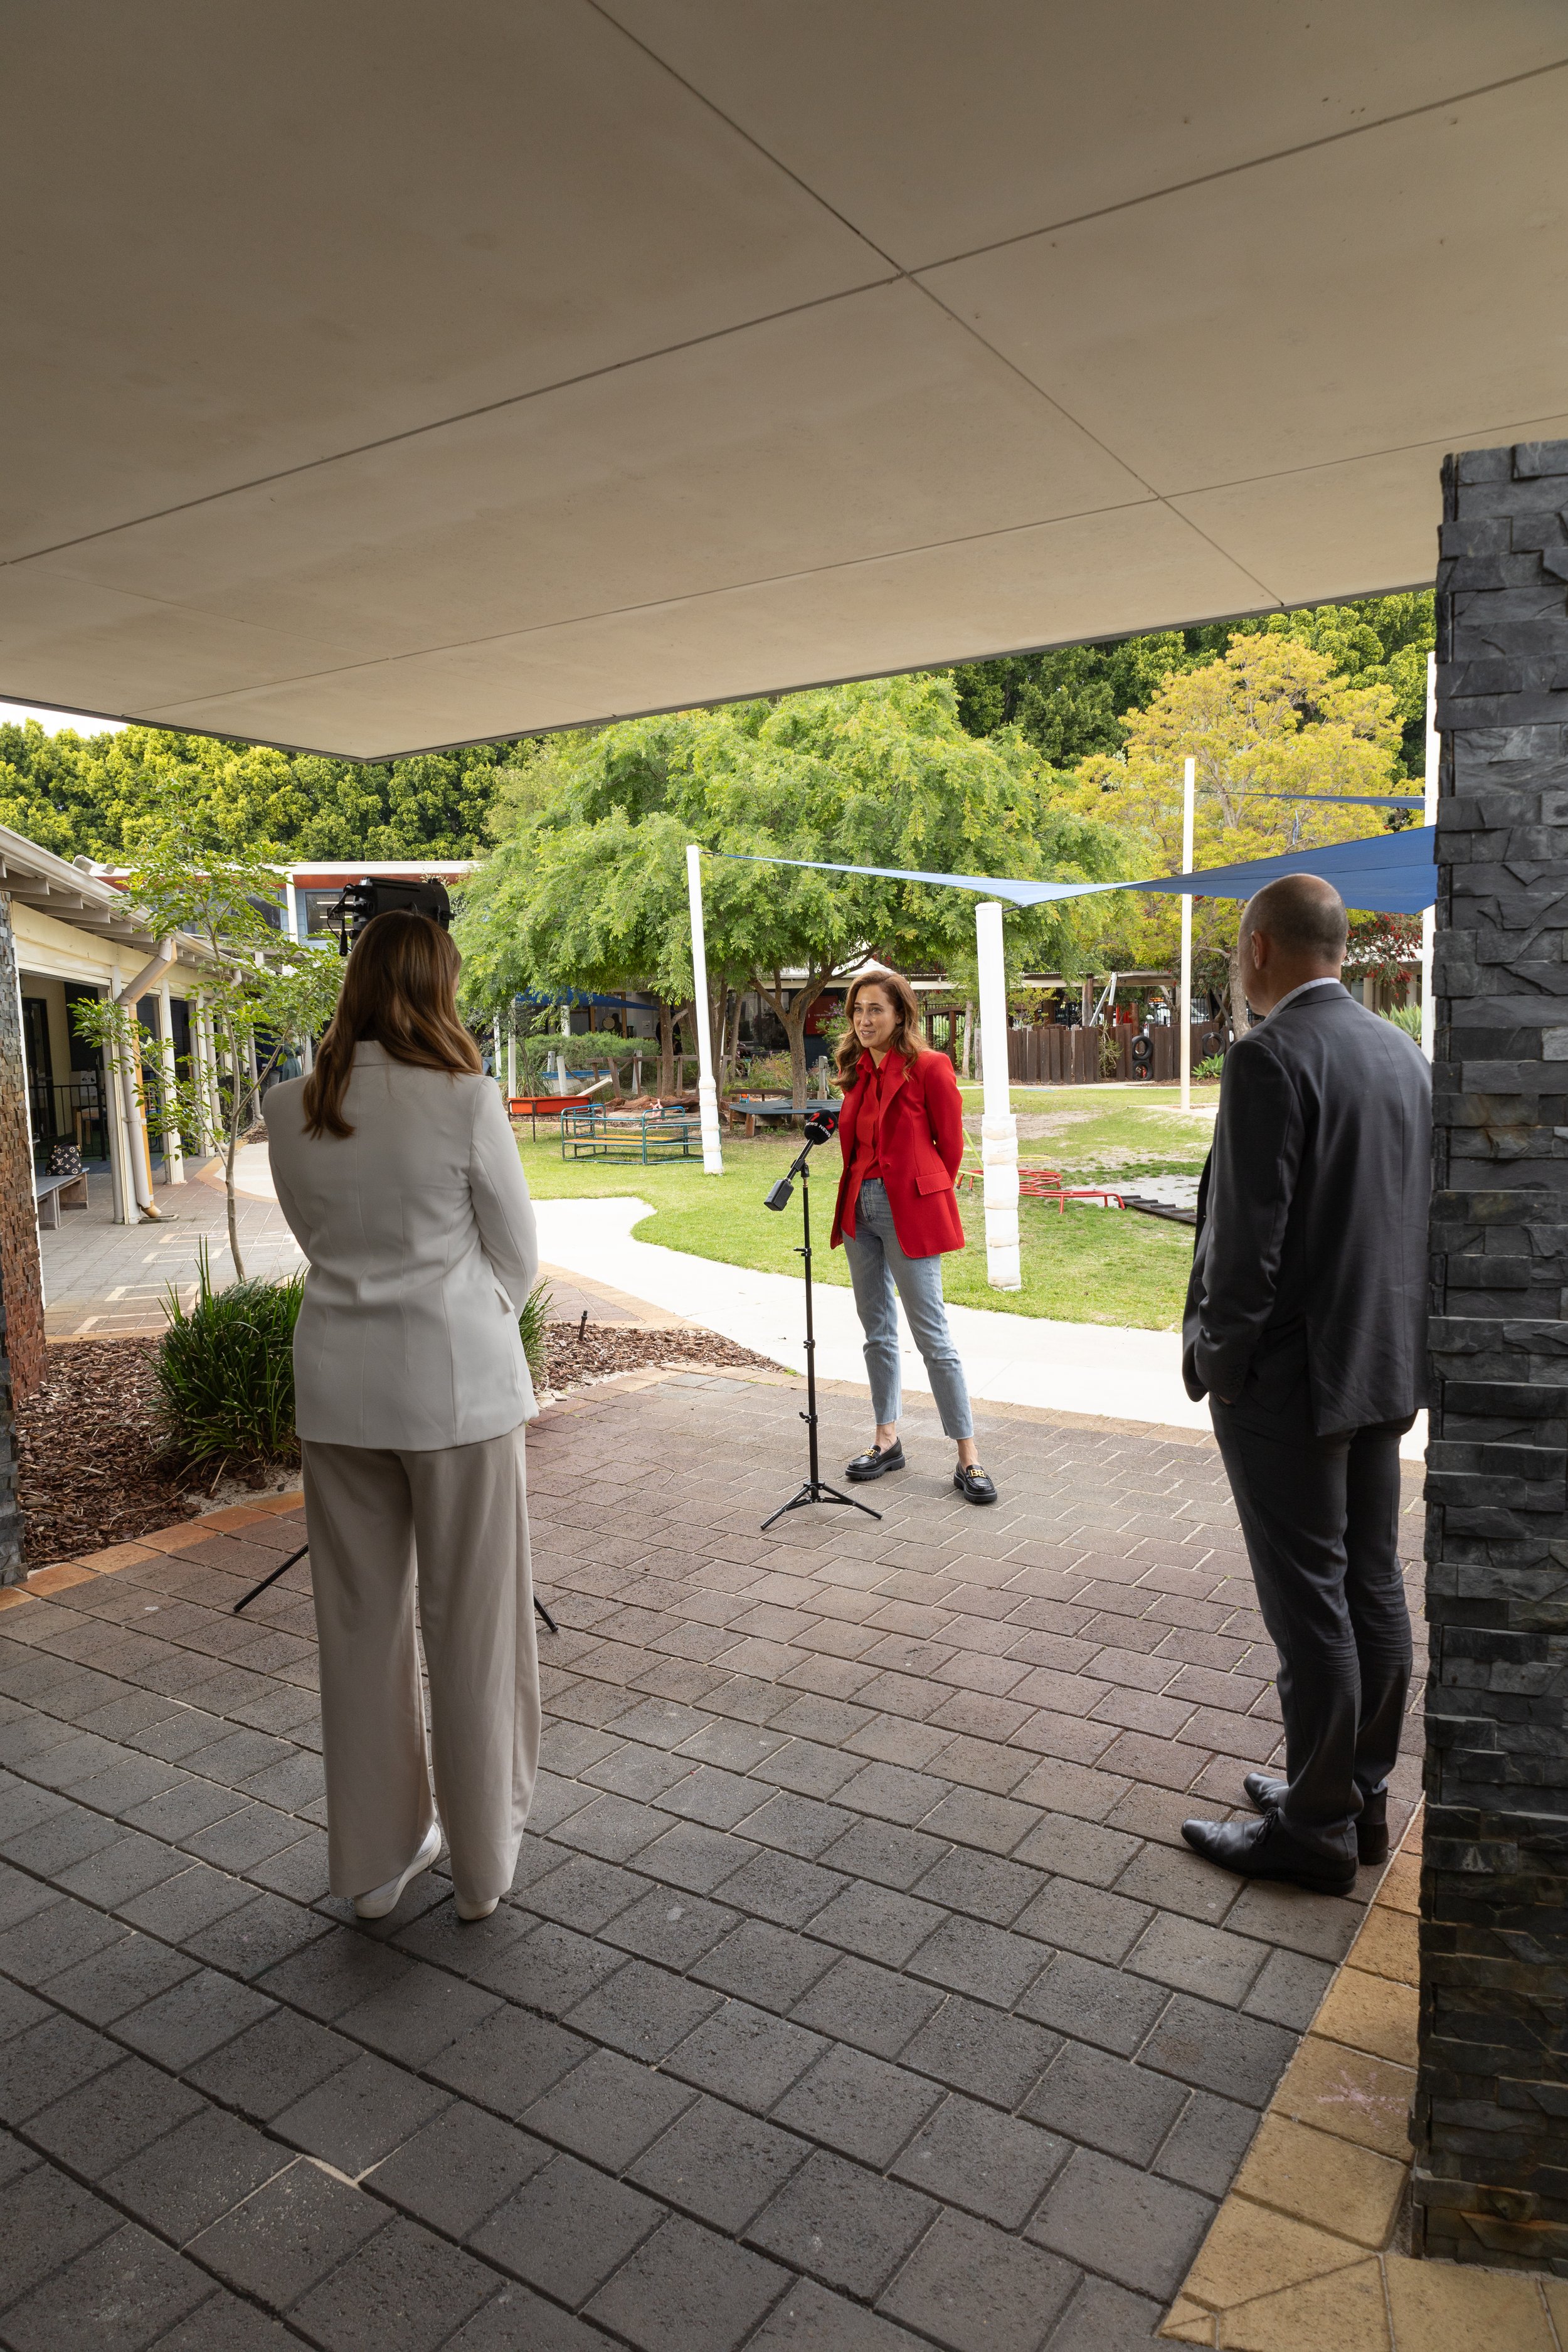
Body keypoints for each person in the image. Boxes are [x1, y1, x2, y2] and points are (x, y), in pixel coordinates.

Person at [265, 911, 541, 1926]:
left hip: (341, 1389)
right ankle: (481, 1867)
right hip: (460, 1390)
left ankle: (376, 1866)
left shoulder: (286, 1106)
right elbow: (517, 1256)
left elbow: (318, 1243)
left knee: (359, 1629)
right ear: (438, 986)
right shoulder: (464, 1101)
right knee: (473, 1626)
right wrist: (466, 1316)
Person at [1180, 874, 1430, 1897]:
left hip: (1290, 1383)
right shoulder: (1403, 1056)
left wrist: (1219, 1365)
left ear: (1261, 952)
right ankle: (1354, 1793)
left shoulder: (1269, 1057)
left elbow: (1248, 1247)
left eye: (1241, 951)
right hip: (1384, 1363)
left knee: (1309, 1607)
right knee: (1371, 1583)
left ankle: (1314, 1828)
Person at [829, 967, 997, 1505]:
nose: (864, 1019)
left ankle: (968, 1457)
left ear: (900, 1013)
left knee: (933, 1336)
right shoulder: (856, 1070)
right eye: (858, 1010)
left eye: (875, 1009)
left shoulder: (930, 1067)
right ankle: (886, 1440)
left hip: (909, 1211)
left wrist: (921, 1195)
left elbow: (951, 1148)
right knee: (876, 1330)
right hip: (860, 1207)